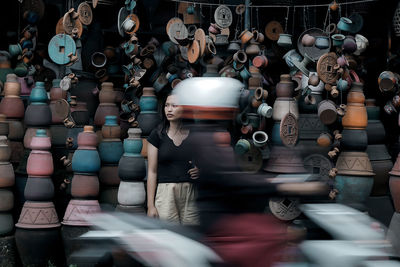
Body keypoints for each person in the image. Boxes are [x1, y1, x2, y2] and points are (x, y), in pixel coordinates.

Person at [146, 93, 200, 225]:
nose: (169, 109)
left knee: (191, 236)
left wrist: (200, 170)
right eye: (166, 105)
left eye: (174, 106)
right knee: (169, 237)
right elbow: (152, 172)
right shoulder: (157, 135)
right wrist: (150, 206)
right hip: (166, 193)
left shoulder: (194, 135)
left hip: (191, 193)